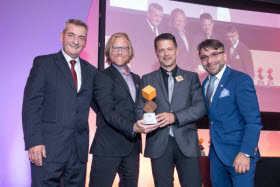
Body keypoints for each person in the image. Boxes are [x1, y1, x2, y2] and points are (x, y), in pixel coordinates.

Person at [22, 19, 98, 186]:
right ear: (61, 36)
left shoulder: (92, 72)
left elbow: (100, 106)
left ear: (85, 42)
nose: (75, 41)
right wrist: (34, 142)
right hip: (47, 151)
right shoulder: (43, 64)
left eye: (81, 37)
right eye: (71, 35)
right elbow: (31, 105)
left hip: (78, 154)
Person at [89, 33, 159, 187]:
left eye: (124, 48)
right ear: (108, 51)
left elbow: (142, 106)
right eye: (115, 48)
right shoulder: (102, 77)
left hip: (132, 148)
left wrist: (152, 112)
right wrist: (133, 127)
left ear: (130, 52)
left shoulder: (137, 79)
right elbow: (107, 111)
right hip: (107, 148)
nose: (120, 52)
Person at [137, 33, 206, 187]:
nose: (166, 54)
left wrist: (174, 117)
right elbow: (141, 109)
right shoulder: (147, 79)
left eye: (169, 49)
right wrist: (145, 121)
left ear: (177, 50)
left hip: (187, 143)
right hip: (159, 143)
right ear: (156, 53)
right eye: (161, 50)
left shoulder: (191, 78)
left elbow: (200, 107)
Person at [197, 39, 263, 187]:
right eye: (204, 57)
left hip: (239, 155)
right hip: (216, 156)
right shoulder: (205, 83)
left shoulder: (240, 80)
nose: (210, 60)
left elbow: (253, 121)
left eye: (214, 54)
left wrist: (245, 153)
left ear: (225, 55)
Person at [132, 3, 164, 74]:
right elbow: (136, 54)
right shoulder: (138, 29)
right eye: (156, 15)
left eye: (160, 16)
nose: (158, 19)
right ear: (148, 13)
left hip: (160, 72)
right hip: (145, 72)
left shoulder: (162, 30)